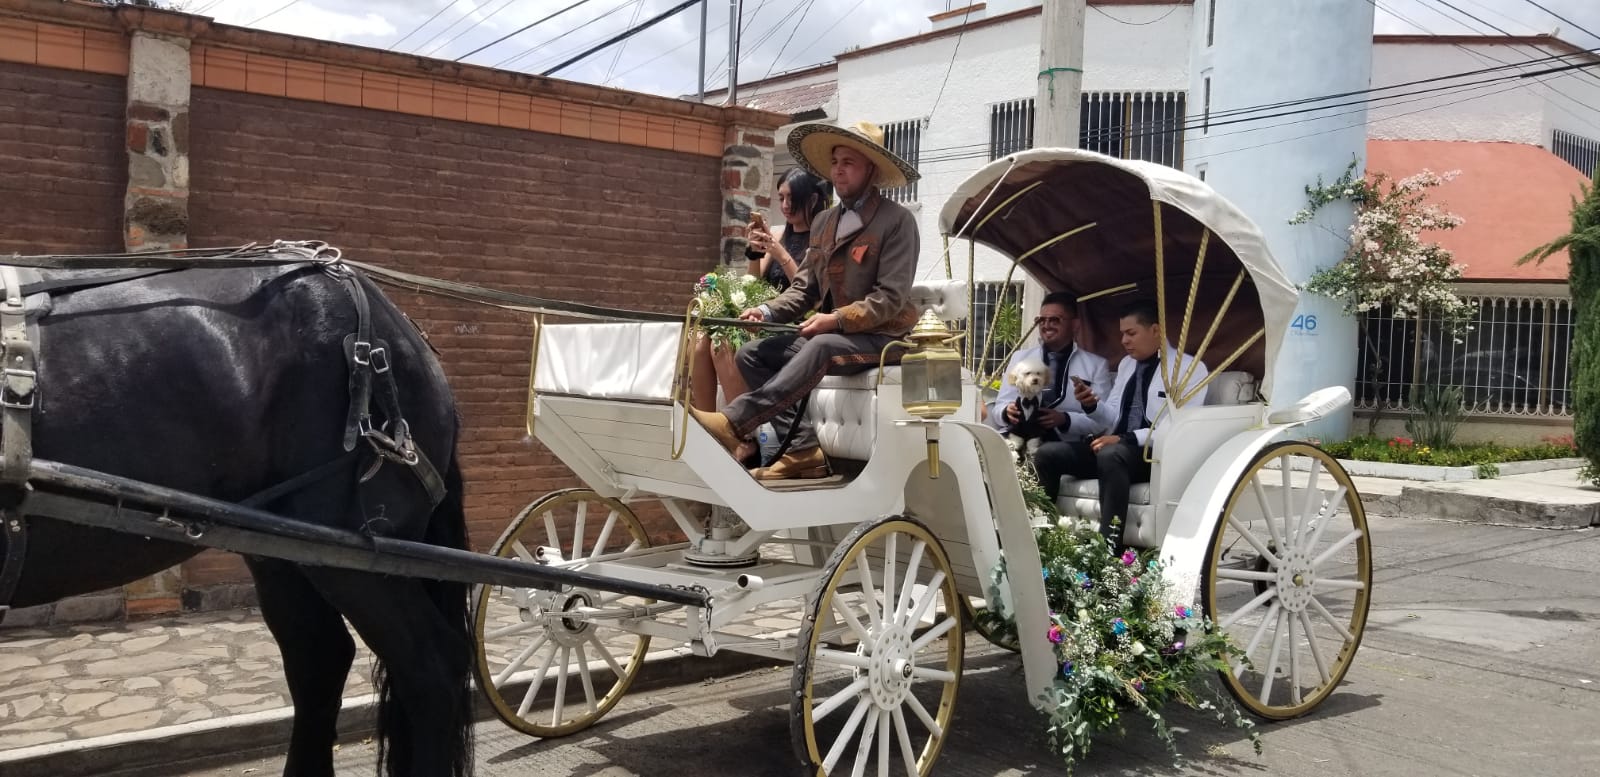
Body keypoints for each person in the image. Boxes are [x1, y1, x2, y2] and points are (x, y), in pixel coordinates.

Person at [689, 121, 922, 480]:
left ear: (872, 170)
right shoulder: (824, 222)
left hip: (885, 338)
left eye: (849, 162)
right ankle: (802, 449)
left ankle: (735, 422)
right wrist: (765, 310)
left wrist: (836, 319)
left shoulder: (897, 222)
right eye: (835, 162)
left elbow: (890, 299)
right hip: (838, 336)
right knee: (751, 354)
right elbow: (804, 289)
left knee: (821, 345)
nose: (838, 170)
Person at [1033, 299, 1209, 546]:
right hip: (1115, 449)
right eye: (1122, 334)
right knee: (1048, 454)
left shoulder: (1188, 368)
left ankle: (1108, 550)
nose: (1124, 341)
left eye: (1131, 333)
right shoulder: (1127, 365)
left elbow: (1177, 427)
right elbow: (1113, 416)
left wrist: (1124, 438)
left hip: (1153, 455)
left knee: (1111, 454)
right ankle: (1040, 536)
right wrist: (1091, 405)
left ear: (1155, 330)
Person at [688, 168, 834, 466]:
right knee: (703, 339)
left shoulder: (820, 239)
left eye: (792, 199)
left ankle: (745, 438)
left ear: (812, 199)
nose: (785, 206)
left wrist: (780, 254)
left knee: (723, 346)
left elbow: (810, 293)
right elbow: (754, 284)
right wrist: (755, 253)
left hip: (796, 322)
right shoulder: (778, 234)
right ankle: (711, 433)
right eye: (781, 198)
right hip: (766, 316)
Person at [986, 291, 1114, 445]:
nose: (1046, 325)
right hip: (1018, 437)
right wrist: (1007, 412)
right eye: (1041, 320)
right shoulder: (1020, 358)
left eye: (1055, 320)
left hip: (1065, 444)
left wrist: (1065, 419)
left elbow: (1103, 421)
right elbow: (999, 407)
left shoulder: (1096, 365)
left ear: (1075, 325)